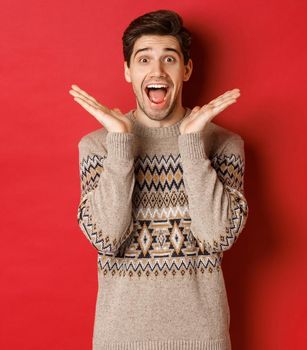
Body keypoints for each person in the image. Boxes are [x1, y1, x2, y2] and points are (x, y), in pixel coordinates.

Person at [69, 9, 248, 350]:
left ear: (186, 69)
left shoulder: (224, 144)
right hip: (118, 341)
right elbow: (106, 238)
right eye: (144, 59)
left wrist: (192, 145)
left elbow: (217, 237)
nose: (157, 70)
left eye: (169, 58)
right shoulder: (97, 145)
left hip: (203, 340)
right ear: (127, 70)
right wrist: (120, 145)